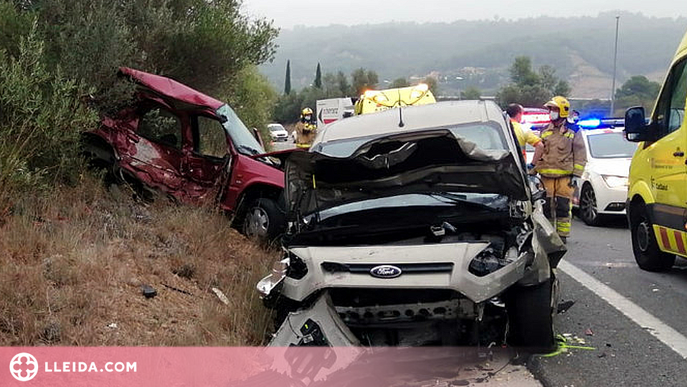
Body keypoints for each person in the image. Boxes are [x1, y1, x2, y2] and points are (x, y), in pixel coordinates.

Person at [534, 96, 587, 243]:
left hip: (565, 177)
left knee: (563, 207)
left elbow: (580, 153)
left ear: (562, 111)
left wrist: (577, 175)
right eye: (550, 109)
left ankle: (562, 236)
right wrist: (532, 171)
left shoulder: (574, 130)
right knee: (546, 208)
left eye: (554, 109)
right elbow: (541, 152)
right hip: (546, 176)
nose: (551, 112)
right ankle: (549, 235)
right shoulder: (545, 130)